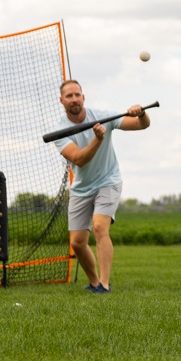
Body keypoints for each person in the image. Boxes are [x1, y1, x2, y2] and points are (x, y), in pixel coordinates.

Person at [53, 80, 152, 293]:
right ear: (61, 101)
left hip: (108, 180)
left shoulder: (103, 116)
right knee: (77, 242)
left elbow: (141, 125)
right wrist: (98, 139)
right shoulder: (60, 130)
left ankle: (105, 285)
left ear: (83, 97)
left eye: (77, 95)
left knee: (99, 227)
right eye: (69, 96)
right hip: (81, 187)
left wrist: (141, 113)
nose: (74, 99)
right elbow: (79, 159)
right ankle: (95, 282)